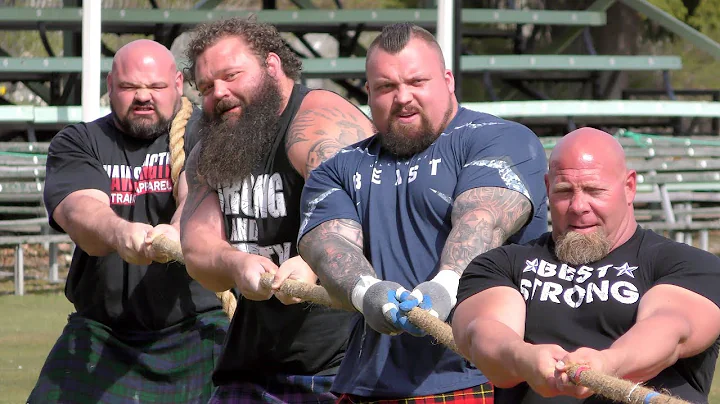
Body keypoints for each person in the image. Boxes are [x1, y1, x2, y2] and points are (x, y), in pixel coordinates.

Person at [296, 23, 548, 402]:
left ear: (447, 80)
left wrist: (445, 286)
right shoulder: (338, 168)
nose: (403, 98)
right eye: (386, 87)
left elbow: (485, 219)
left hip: (472, 376)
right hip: (366, 383)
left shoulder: (497, 138)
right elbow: (328, 244)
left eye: (417, 82)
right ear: (368, 92)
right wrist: (368, 293)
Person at [179, 18, 375, 403]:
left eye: (232, 75)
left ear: (272, 65)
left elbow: (370, 209)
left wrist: (313, 262)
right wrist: (235, 263)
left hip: (337, 366)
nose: (219, 93)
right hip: (252, 365)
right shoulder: (214, 141)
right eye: (206, 87)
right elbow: (197, 249)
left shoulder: (318, 120)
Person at [452, 127, 720, 404]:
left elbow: (672, 328)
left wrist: (607, 364)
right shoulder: (501, 265)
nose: (578, 206)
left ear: (629, 188)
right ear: (547, 189)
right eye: (565, 191)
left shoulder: (688, 265)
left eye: (594, 190)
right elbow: (481, 332)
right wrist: (526, 359)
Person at [29, 40, 228, 404]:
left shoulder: (209, 133)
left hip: (196, 328)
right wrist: (121, 233)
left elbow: (199, 194)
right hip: (102, 331)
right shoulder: (79, 140)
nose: (143, 97)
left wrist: (177, 230)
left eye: (155, 87)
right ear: (109, 86)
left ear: (178, 84)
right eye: (129, 87)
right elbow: (79, 210)